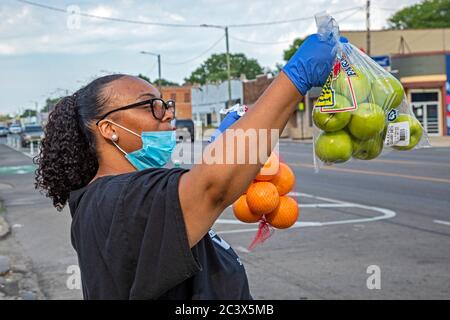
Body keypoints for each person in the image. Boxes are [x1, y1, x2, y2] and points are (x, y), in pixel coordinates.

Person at [34, 33, 344, 300]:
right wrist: (294, 78)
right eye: (150, 105)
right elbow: (212, 187)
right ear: (108, 129)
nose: (167, 113)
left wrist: (225, 145)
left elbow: (198, 187)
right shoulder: (114, 200)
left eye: (166, 104)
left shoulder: (122, 195)